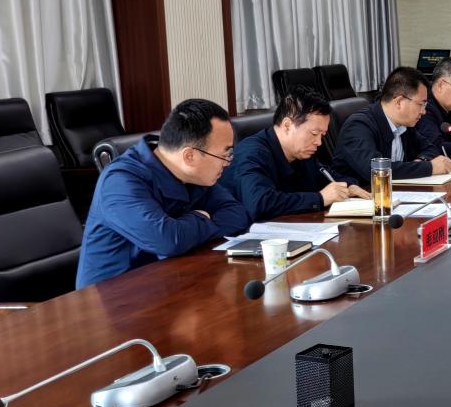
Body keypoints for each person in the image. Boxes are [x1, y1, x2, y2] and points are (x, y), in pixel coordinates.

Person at [77, 99, 250, 288]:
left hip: (171, 282)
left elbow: (237, 214)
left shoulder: (194, 175)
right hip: (114, 296)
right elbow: (168, 241)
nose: (227, 163)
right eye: (224, 155)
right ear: (189, 156)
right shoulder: (120, 181)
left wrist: (184, 229)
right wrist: (199, 218)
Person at [221, 86, 367, 221]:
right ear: (287, 126)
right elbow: (259, 203)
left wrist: (349, 186)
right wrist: (320, 199)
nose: (319, 142)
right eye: (314, 133)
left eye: (322, 135)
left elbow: (328, 175)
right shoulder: (251, 153)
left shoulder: (302, 153)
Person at [332, 66, 451, 184]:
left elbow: (430, 148)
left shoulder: (404, 125)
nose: (424, 111)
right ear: (399, 102)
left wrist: (421, 161)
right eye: (421, 104)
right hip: (361, 194)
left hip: (395, 192)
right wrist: (428, 167)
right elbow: (377, 171)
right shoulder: (358, 126)